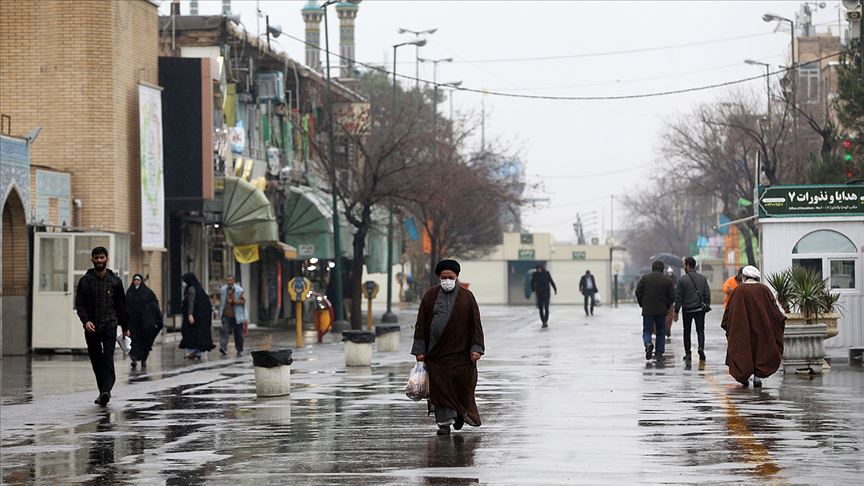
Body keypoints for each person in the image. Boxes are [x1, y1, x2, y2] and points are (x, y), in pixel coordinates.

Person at [411, 259, 485, 436]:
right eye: (443, 277)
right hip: (436, 354)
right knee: (440, 387)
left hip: (461, 354)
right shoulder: (430, 296)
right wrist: (420, 350)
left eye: (450, 277)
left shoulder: (467, 297)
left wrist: (476, 348)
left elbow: (475, 325)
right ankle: (444, 423)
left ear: (457, 277)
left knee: (460, 385)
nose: (446, 280)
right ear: (439, 277)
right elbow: (421, 324)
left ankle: (459, 413)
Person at [75, 246, 129, 406]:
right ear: (92, 260)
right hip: (91, 327)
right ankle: (102, 392)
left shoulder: (115, 282)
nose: (99, 261)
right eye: (96, 258)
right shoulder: (85, 281)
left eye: (102, 258)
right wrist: (86, 321)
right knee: (96, 359)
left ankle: (106, 390)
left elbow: (121, 306)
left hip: (109, 324)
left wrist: (125, 327)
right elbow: (80, 304)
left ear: (107, 259)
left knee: (107, 358)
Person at [721, 266, 786, 387]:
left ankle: (743, 376)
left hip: (742, 329)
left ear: (744, 277)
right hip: (762, 328)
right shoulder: (765, 290)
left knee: (744, 352)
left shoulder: (738, 291)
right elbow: (774, 311)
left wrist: (729, 326)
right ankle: (757, 376)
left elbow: (729, 313)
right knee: (760, 351)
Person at [636, 260, 675, 361]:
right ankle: (659, 353)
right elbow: (672, 296)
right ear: (662, 269)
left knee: (647, 331)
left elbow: (638, 292)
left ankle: (648, 343)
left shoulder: (645, 278)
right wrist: (666, 305)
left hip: (648, 309)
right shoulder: (667, 280)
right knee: (661, 331)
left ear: (652, 268)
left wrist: (642, 303)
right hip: (661, 310)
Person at [675, 256, 711, 363]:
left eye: (684, 265)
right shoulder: (702, 278)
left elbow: (678, 296)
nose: (683, 267)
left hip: (687, 310)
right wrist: (706, 305)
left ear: (687, 265)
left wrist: (676, 310)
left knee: (687, 331)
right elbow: (707, 294)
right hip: (700, 309)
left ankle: (688, 353)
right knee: (700, 330)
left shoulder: (682, 280)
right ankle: (700, 348)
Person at [127, 274, 163, 370]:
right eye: (135, 280)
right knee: (132, 342)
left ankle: (143, 360)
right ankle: (133, 359)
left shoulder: (148, 293)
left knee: (144, 342)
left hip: (144, 323)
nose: (136, 282)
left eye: (138, 280)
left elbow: (154, 305)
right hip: (133, 322)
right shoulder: (130, 292)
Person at [179, 272, 214, 359]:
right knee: (197, 334)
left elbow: (191, 302)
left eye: (184, 281)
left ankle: (193, 352)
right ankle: (196, 352)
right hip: (200, 317)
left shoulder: (191, 289)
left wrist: (190, 314)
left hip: (194, 316)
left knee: (190, 333)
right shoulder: (198, 289)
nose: (183, 283)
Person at [219, 275, 246, 356]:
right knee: (224, 331)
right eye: (227, 280)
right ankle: (223, 348)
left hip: (236, 315)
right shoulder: (223, 289)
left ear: (233, 281)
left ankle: (239, 348)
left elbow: (243, 301)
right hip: (226, 314)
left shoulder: (239, 290)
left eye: (230, 280)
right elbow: (222, 300)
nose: (229, 282)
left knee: (238, 333)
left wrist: (235, 302)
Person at [663, 267, 678, 343]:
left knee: (668, 317)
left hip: (668, 301)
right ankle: (666, 330)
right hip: (668, 301)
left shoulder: (672, 278)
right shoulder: (666, 278)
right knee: (668, 317)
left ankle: (667, 330)